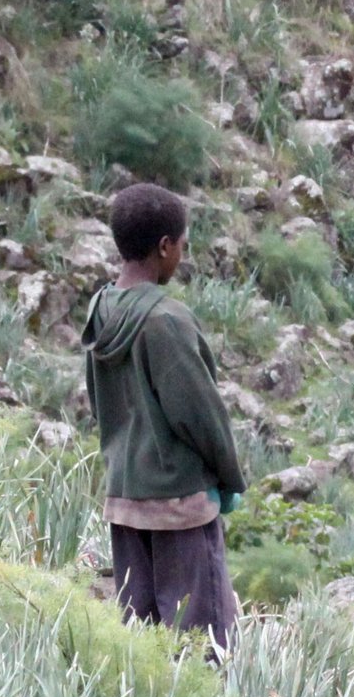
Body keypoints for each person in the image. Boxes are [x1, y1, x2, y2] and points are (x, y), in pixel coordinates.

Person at [82, 183, 247, 649]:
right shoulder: (166, 320)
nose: (181, 256)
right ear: (164, 246)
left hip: (124, 501)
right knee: (202, 648)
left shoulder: (101, 310)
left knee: (142, 646)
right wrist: (230, 479)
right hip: (180, 509)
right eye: (182, 245)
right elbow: (201, 416)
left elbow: (100, 402)